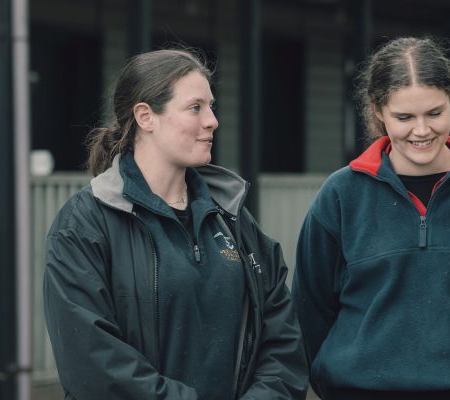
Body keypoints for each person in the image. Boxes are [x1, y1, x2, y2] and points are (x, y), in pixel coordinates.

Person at [44, 49, 309, 399]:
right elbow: (93, 365)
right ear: (145, 116)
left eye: (211, 106)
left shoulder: (233, 218)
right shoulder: (84, 224)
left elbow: (282, 340)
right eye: (196, 107)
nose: (212, 120)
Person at [291, 37, 450, 400]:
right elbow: (309, 313)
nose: (421, 131)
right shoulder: (340, 195)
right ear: (378, 111)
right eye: (404, 117)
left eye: (434, 113)